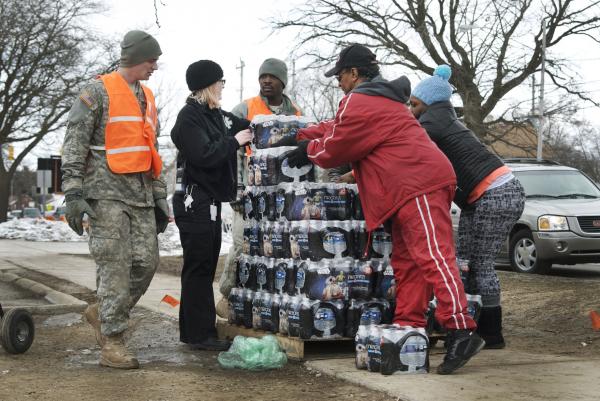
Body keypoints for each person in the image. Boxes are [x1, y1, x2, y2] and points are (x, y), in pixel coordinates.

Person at [280, 44, 485, 374]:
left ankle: (461, 329)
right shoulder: (376, 101)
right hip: (404, 188)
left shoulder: (362, 101)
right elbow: (337, 128)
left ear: (355, 74)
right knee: (408, 262)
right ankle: (409, 325)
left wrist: (309, 150)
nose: (338, 82)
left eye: (341, 76)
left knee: (432, 256)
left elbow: (338, 145)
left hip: (417, 182)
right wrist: (295, 134)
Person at [62, 30, 168, 369]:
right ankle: (113, 341)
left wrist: (160, 198)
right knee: (115, 267)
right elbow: (74, 144)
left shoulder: (148, 98)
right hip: (103, 194)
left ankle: (104, 312)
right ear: (135, 58)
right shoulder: (96, 91)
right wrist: (74, 194)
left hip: (139, 195)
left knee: (147, 263)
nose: (154, 66)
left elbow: (152, 151)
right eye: (151, 60)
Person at [409, 65, 526, 349]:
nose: (409, 109)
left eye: (413, 104)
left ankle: (491, 333)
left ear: (429, 103)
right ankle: (468, 325)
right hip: (484, 196)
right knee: (464, 261)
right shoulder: (442, 120)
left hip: (497, 193)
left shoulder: (432, 125)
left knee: (481, 263)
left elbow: (406, 147)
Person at [170, 60, 253, 350]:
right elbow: (204, 153)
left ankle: (202, 330)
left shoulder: (216, 115)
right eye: (219, 82)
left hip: (211, 202)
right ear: (207, 85)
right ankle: (197, 334)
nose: (222, 87)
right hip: (194, 203)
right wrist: (234, 142)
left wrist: (265, 127)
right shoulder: (189, 118)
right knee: (198, 267)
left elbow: (242, 125)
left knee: (206, 265)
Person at [215, 58, 302, 317]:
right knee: (242, 244)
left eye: (272, 77)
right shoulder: (245, 109)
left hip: (281, 195)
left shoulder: (296, 114)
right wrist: (235, 189)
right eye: (262, 76)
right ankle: (227, 295)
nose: (266, 80)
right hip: (248, 191)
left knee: (277, 250)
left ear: (282, 81)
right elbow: (229, 150)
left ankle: (264, 302)